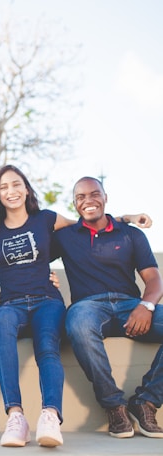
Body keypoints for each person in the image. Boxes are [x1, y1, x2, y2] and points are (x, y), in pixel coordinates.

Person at [0, 164, 148, 448]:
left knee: (47, 345)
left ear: (26, 188)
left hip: (47, 300)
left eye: (16, 184)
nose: (11, 191)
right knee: (2, 324)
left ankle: (50, 416)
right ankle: (16, 416)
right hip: (10, 303)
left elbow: (88, 223)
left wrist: (126, 218)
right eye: (4, 187)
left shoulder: (46, 219)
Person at [52, 176, 163, 440]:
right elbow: (36, 230)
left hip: (131, 306)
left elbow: (154, 279)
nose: (88, 200)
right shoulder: (65, 237)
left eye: (94, 194)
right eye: (80, 197)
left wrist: (146, 306)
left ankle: (146, 401)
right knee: (77, 324)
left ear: (105, 197)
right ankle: (114, 405)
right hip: (88, 307)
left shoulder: (131, 234)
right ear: (74, 204)